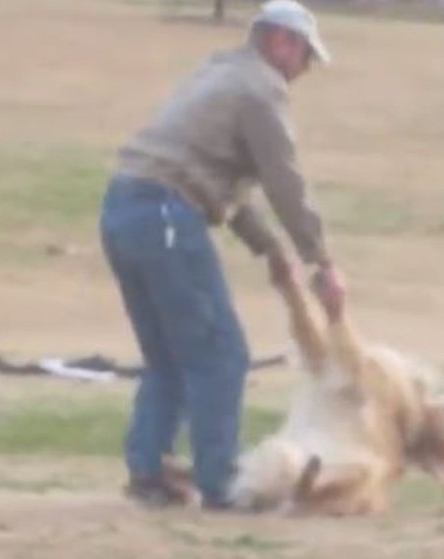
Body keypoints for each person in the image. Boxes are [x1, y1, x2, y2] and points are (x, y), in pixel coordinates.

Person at [98, 0, 346, 511]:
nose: (304, 72)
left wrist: (270, 248)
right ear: (282, 42)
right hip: (165, 215)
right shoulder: (261, 88)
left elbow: (219, 184)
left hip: (124, 208)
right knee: (220, 355)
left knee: (169, 356)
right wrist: (321, 261)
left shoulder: (220, 72)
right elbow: (283, 181)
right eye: (305, 57)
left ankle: (149, 471)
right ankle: (222, 481)